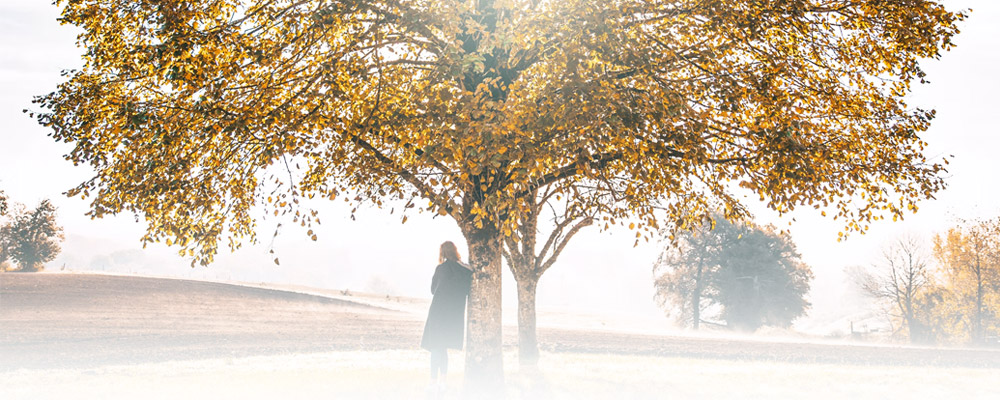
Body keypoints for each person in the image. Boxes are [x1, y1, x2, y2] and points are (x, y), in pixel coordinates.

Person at [420, 241, 473, 393]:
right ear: (455, 251)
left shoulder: (441, 269)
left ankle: (432, 383)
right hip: (453, 315)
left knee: (436, 347)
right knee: (442, 348)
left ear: (442, 253)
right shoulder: (465, 270)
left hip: (438, 312)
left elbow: (432, 289)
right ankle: (442, 382)